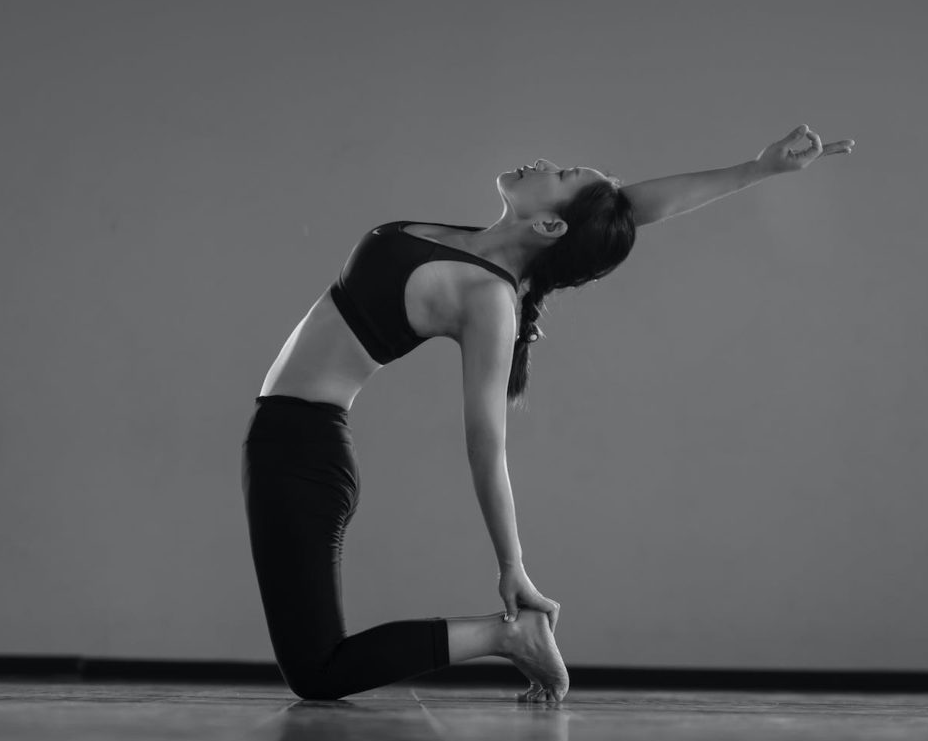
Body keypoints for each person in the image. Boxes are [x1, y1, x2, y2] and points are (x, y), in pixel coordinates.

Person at [241, 125, 855, 703]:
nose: (543, 162)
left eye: (560, 173)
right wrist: (756, 169)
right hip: (288, 441)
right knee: (313, 663)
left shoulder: (489, 299)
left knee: (317, 671)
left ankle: (505, 636)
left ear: (549, 223)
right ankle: (504, 635)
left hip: (302, 451)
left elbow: (487, 443)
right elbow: (626, 207)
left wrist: (512, 567)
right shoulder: (480, 244)